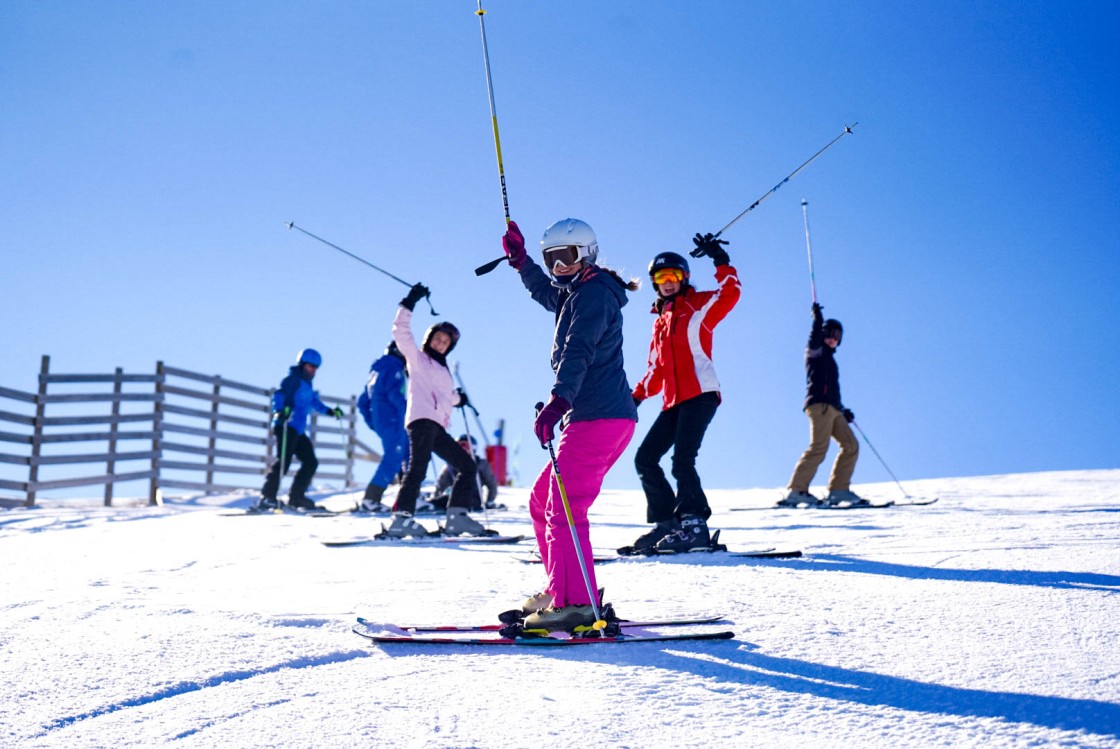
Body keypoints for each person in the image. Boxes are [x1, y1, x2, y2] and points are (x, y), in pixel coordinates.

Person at [501, 217, 638, 631]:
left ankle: (574, 602)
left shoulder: (594, 296)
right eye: (552, 258)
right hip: (596, 415)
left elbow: (578, 350)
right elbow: (546, 292)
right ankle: (563, 587)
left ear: (587, 254)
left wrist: (558, 401)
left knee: (563, 505)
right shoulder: (577, 292)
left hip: (599, 414)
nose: (559, 266)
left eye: (567, 256)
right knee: (542, 496)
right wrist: (523, 262)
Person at [627, 233, 742, 552]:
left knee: (682, 460)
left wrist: (720, 260)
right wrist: (635, 398)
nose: (667, 282)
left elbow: (730, 293)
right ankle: (668, 524)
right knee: (645, 458)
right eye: (661, 277)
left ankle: (694, 524)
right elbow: (655, 370)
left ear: (684, 278)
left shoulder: (699, 305)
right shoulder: (660, 323)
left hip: (701, 392)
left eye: (673, 276)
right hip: (673, 401)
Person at [385, 283, 485, 537]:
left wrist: (457, 399)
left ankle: (457, 517)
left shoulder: (442, 370)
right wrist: (410, 301)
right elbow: (401, 331)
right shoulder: (417, 359)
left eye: (446, 342)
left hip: (437, 426)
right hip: (421, 421)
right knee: (418, 468)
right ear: (429, 339)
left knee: (467, 466)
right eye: (438, 339)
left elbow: (442, 397)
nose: (441, 344)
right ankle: (401, 518)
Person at [780, 303, 864, 507]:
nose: (833, 339)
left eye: (837, 336)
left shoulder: (831, 361)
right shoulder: (815, 352)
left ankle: (838, 490)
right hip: (819, 407)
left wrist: (844, 410)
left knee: (851, 445)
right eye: (830, 333)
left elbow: (832, 390)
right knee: (819, 447)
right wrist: (818, 321)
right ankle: (796, 490)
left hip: (834, 409)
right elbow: (814, 337)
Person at [257, 348, 343, 511]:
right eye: (310, 366)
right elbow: (279, 395)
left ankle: (297, 498)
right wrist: (280, 410)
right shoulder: (292, 380)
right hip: (285, 425)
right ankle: (267, 497)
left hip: (297, 430)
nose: (313, 370)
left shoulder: (307, 386)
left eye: (315, 367)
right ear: (302, 364)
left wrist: (331, 412)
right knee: (284, 461)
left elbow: (315, 404)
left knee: (310, 462)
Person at [356, 342, 409, 513]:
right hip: (394, 419)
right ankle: (371, 498)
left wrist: (373, 422)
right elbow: (394, 394)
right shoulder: (394, 368)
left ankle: (409, 497)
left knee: (410, 453)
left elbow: (363, 401)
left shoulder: (377, 370)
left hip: (384, 421)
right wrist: (411, 411)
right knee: (394, 457)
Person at [431, 434, 500, 511]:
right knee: (445, 499)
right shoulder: (451, 465)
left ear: (473, 448)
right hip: (452, 498)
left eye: (465, 445)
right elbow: (441, 484)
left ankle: (434, 504)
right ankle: (431, 505)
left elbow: (492, 484)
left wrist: (489, 501)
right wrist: (436, 496)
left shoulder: (480, 464)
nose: (463, 448)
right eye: (460, 445)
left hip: (472, 500)